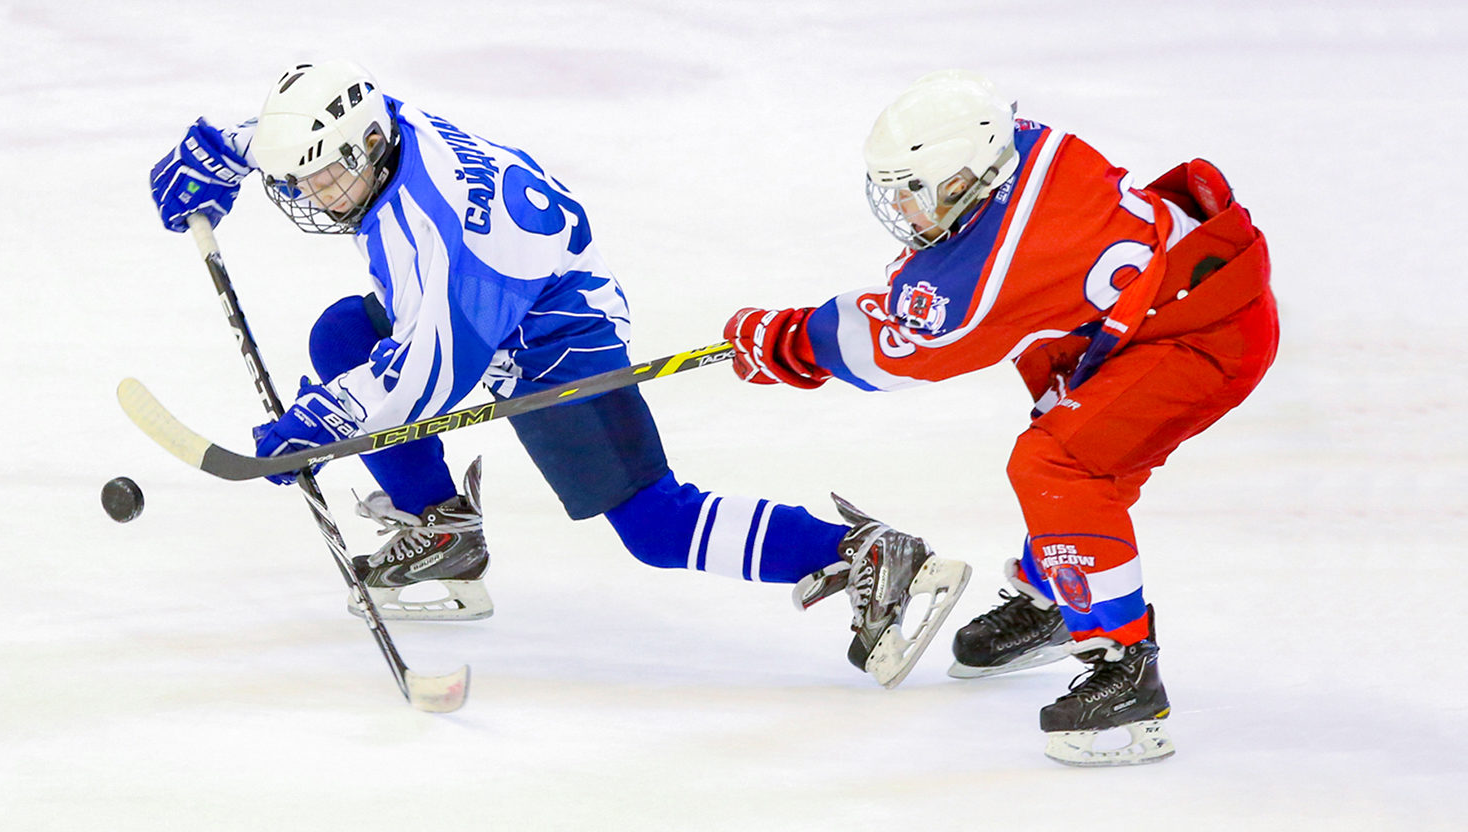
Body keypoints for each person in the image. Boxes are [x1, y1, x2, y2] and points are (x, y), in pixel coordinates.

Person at [146, 60, 971, 681]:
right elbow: (310, 131)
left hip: (558, 335)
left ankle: (866, 555)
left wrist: (318, 424)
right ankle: (442, 534)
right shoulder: (384, 130)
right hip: (502, 298)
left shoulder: (443, 240)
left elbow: (423, 379)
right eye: (301, 177)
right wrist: (225, 150)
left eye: (325, 177)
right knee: (344, 333)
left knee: (653, 524)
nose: (314, 194)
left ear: (366, 149)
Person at [722, 70, 1278, 766]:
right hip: (1156, 306)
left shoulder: (1000, 263)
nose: (901, 206)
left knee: (1060, 464)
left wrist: (787, 342)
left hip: (1204, 335)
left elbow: (904, 347)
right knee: (1071, 437)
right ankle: (1057, 599)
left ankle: (1125, 667)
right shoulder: (1012, 152)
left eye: (912, 189)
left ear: (963, 178)